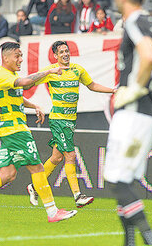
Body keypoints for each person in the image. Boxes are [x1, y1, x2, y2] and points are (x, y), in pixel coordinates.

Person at [97, 0, 152, 246]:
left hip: (134, 114)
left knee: (116, 179)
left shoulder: (134, 20)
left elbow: (151, 55)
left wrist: (135, 89)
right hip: (145, 113)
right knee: (122, 178)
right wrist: (150, 84)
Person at [0, 42, 77, 223]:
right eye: (17, 56)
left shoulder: (9, 75)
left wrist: (33, 106)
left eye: (21, 55)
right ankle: (52, 212)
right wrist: (49, 71)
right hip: (15, 130)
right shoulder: (1, 75)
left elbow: (17, 95)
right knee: (37, 168)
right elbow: (26, 83)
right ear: (6, 58)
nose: (21, 59)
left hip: (10, 130)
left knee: (8, 174)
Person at [26, 40, 115, 208]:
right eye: (61, 52)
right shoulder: (50, 71)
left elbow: (92, 85)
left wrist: (113, 90)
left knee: (56, 157)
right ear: (55, 56)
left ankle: (35, 186)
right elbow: (29, 81)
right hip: (58, 120)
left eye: (66, 51)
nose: (65, 54)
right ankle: (77, 196)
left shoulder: (77, 70)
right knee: (70, 156)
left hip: (71, 120)